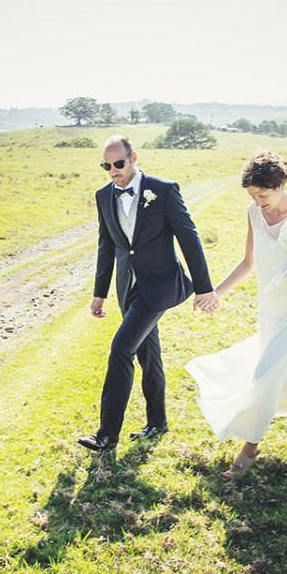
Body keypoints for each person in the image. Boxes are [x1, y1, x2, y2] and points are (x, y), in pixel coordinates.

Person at [185, 149, 287, 477]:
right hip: (270, 311)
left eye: (263, 194)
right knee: (286, 373)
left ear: (282, 183)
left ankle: (249, 449)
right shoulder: (254, 213)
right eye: (253, 196)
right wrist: (215, 293)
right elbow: (248, 263)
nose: (258, 202)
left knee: (265, 376)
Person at [78, 135, 219, 452]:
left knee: (121, 349)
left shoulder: (164, 190)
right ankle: (157, 422)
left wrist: (204, 287)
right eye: (107, 165)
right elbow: (108, 247)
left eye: (118, 163)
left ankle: (106, 435)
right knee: (148, 354)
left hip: (160, 286)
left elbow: (189, 238)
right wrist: (100, 292)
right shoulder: (104, 196)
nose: (113, 170)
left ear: (133, 157)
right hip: (128, 288)